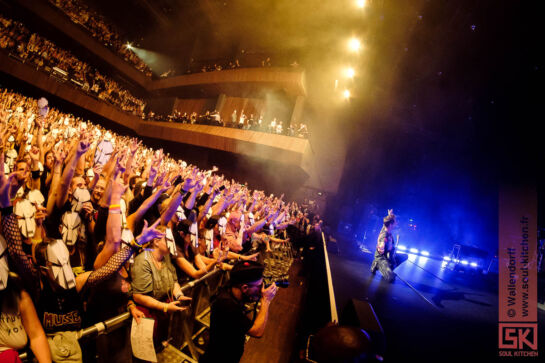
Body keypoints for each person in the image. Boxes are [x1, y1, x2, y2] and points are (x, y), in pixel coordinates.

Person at [200, 260, 277, 363]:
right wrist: (266, 300)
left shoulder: (232, 289)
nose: (261, 289)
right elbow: (257, 331)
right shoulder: (227, 305)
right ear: (244, 288)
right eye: (259, 286)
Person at [369, 209, 407, 282]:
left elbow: (385, 222)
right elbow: (382, 251)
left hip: (388, 256)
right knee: (391, 278)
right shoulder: (384, 236)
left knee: (404, 256)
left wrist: (390, 215)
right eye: (395, 222)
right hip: (381, 258)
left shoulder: (386, 229)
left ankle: (389, 267)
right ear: (390, 224)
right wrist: (387, 249)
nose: (396, 224)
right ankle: (376, 264)